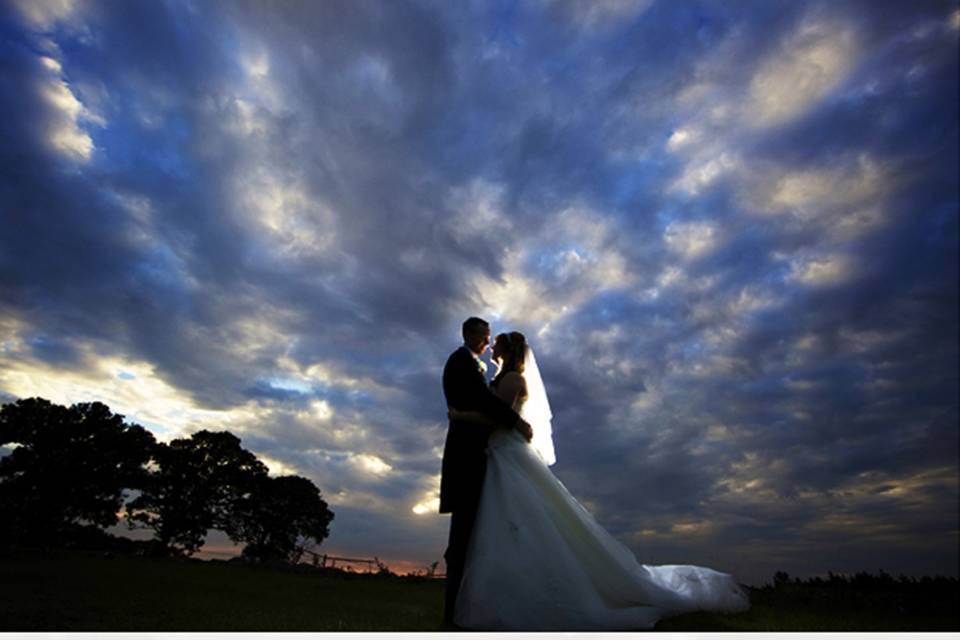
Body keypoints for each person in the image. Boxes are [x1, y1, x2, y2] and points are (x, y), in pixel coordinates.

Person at [448, 331, 751, 631]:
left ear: (508, 350)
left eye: (496, 342)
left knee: (520, 520)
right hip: (500, 453)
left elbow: (497, 418)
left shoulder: (513, 379)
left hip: (507, 454)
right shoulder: (503, 377)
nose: (491, 346)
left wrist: (460, 416)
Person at [439, 317, 533, 627]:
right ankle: (454, 614)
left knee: (470, 535)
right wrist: (515, 422)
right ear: (467, 333)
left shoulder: (482, 368)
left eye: (490, 338)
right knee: (462, 538)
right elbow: (484, 402)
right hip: (466, 459)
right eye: (483, 336)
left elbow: (484, 407)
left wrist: (466, 415)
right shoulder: (460, 361)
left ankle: (461, 611)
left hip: (480, 457)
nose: (487, 343)